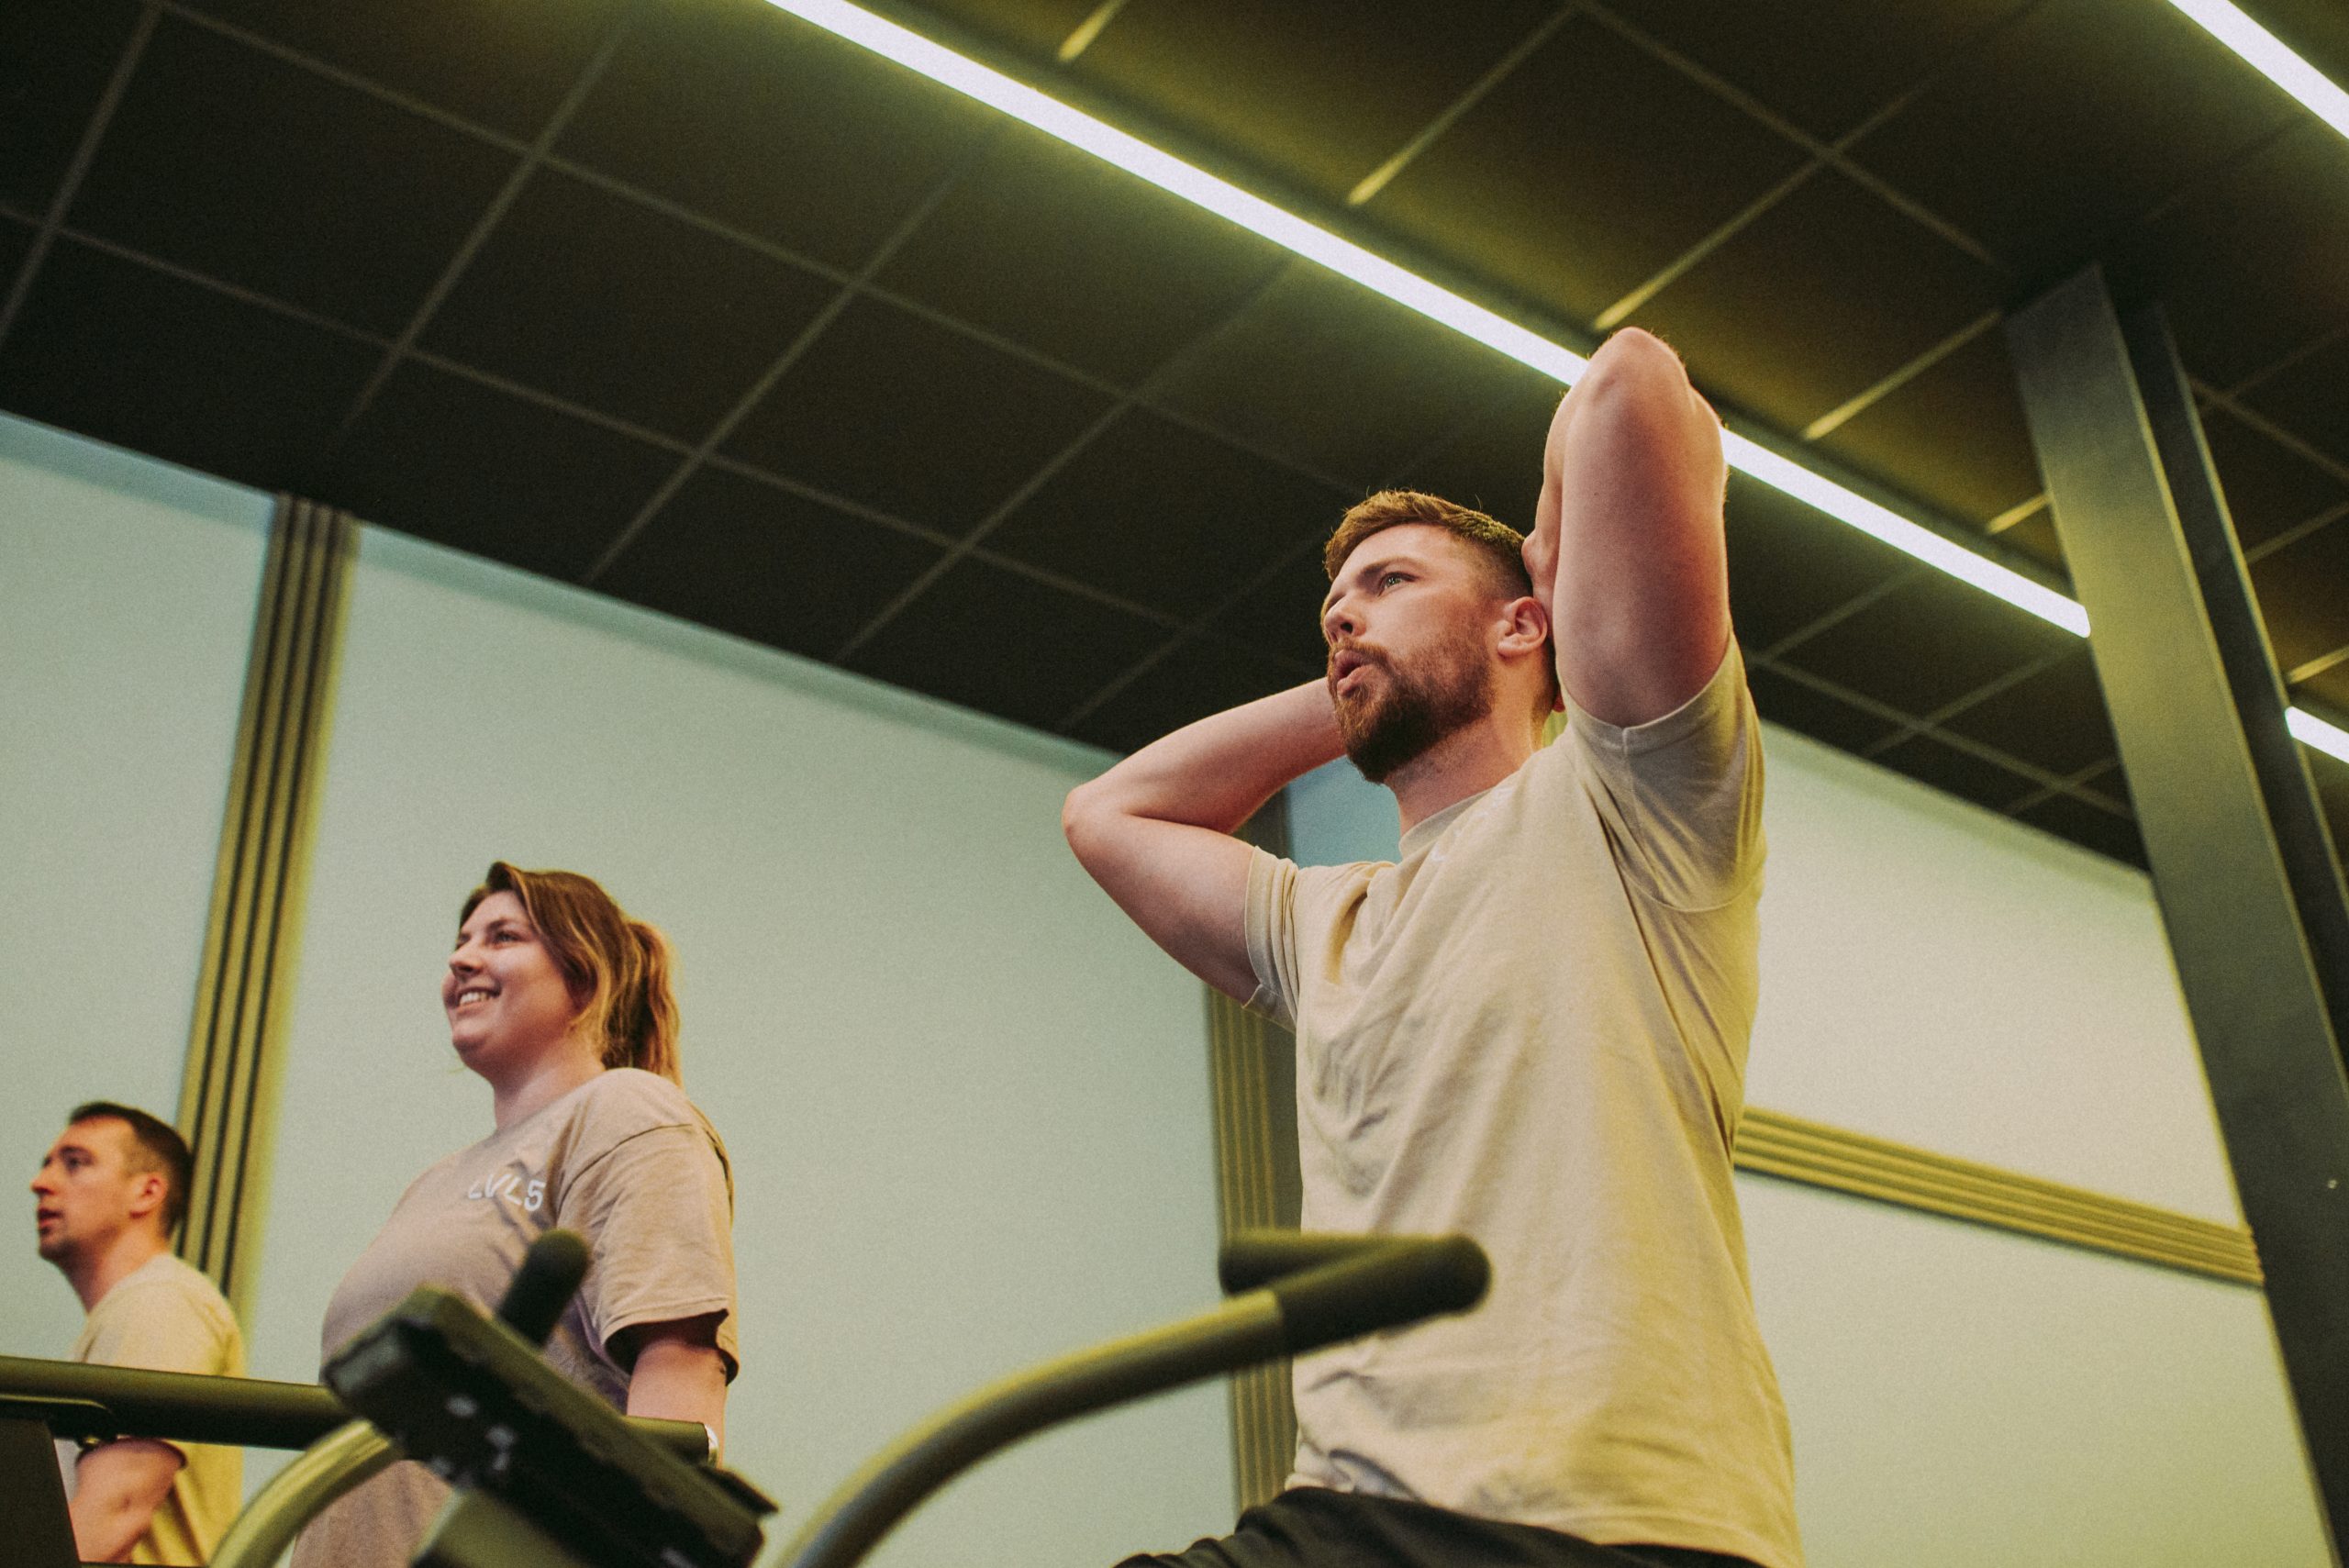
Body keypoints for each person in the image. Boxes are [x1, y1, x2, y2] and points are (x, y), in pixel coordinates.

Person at [1063, 328, 1800, 1568]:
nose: (1344, 617)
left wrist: (1551, 578)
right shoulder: (1326, 922)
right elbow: (1108, 815)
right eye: (1331, 612)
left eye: (1390, 581)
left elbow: (1632, 386)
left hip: (1607, 1516)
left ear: (1524, 623)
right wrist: (1364, 672)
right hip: (1350, 1507)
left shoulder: (1634, 802)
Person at [292, 862, 740, 1568]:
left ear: (583, 979)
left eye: (502, 936)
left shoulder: (627, 1112)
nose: (462, 958)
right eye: (461, 940)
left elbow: (679, 1365)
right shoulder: (434, 1182)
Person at [33, 1101, 244, 1564]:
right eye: (47, 1164)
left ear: (146, 1193)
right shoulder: (134, 1310)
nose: (41, 1182)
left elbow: (112, 1519)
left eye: (75, 1163)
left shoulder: (161, 1300)